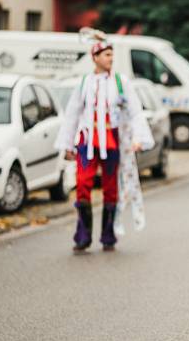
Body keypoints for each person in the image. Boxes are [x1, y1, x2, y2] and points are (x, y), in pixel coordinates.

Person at [55, 32, 154, 253]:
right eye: (106, 55)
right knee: (82, 184)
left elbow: (135, 111)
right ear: (95, 57)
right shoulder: (84, 83)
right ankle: (83, 234)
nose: (110, 59)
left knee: (110, 189)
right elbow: (72, 114)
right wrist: (67, 144)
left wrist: (138, 138)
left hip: (111, 141)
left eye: (111, 55)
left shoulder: (121, 82)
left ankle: (108, 234)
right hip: (87, 142)